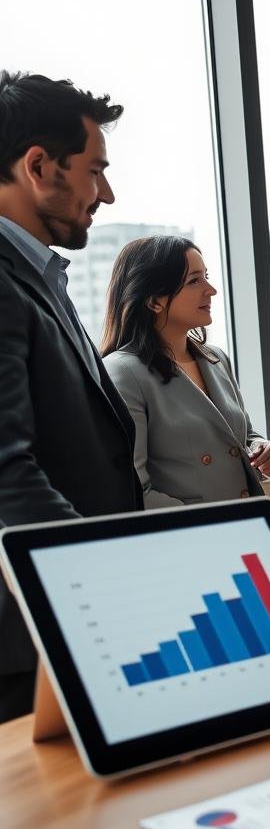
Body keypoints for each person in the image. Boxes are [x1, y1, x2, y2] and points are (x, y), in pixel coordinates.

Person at [0, 71, 143, 721]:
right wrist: (103, 595)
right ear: (38, 166)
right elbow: (7, 471)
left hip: (48, 627)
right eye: (94, 170)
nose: (105, 193)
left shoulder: (38, 275)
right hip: (24, 635)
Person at [102, 236, 270, 507]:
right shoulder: (124, 373)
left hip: (245, 523)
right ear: (154, 301)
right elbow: (132, 488)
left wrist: (261, 451)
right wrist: (201, 527)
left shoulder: (216, 359)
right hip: (187, 537)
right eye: (194, 281)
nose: (211, 290)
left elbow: (241, 437)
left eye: (207, 277)